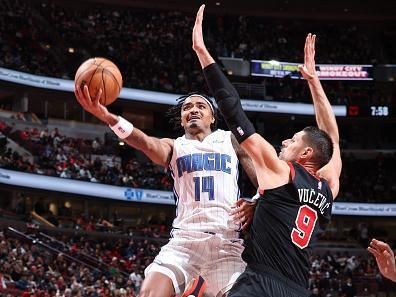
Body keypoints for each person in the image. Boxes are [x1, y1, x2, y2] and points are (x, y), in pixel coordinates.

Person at [192, 5, 342, 297]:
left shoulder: (280, 171)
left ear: (306, 154)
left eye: (293, 139)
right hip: (299, 288)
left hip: (261, 283)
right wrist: (314, 82)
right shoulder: (328, 188)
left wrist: (202, 52)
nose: (285, 142)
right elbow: (332, 140)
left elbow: (234, 112)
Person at [74, 78, 258, 296]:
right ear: (181, 120)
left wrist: (255, 201)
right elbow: (145, 142)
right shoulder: (175, 146)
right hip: (185, 241)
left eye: (201, 106)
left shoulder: (230, 139)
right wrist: (108, 117)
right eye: (187, 107)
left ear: (213, 117)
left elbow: (266, 181)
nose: (193, 110)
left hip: (226, 243)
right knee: (150, 292)